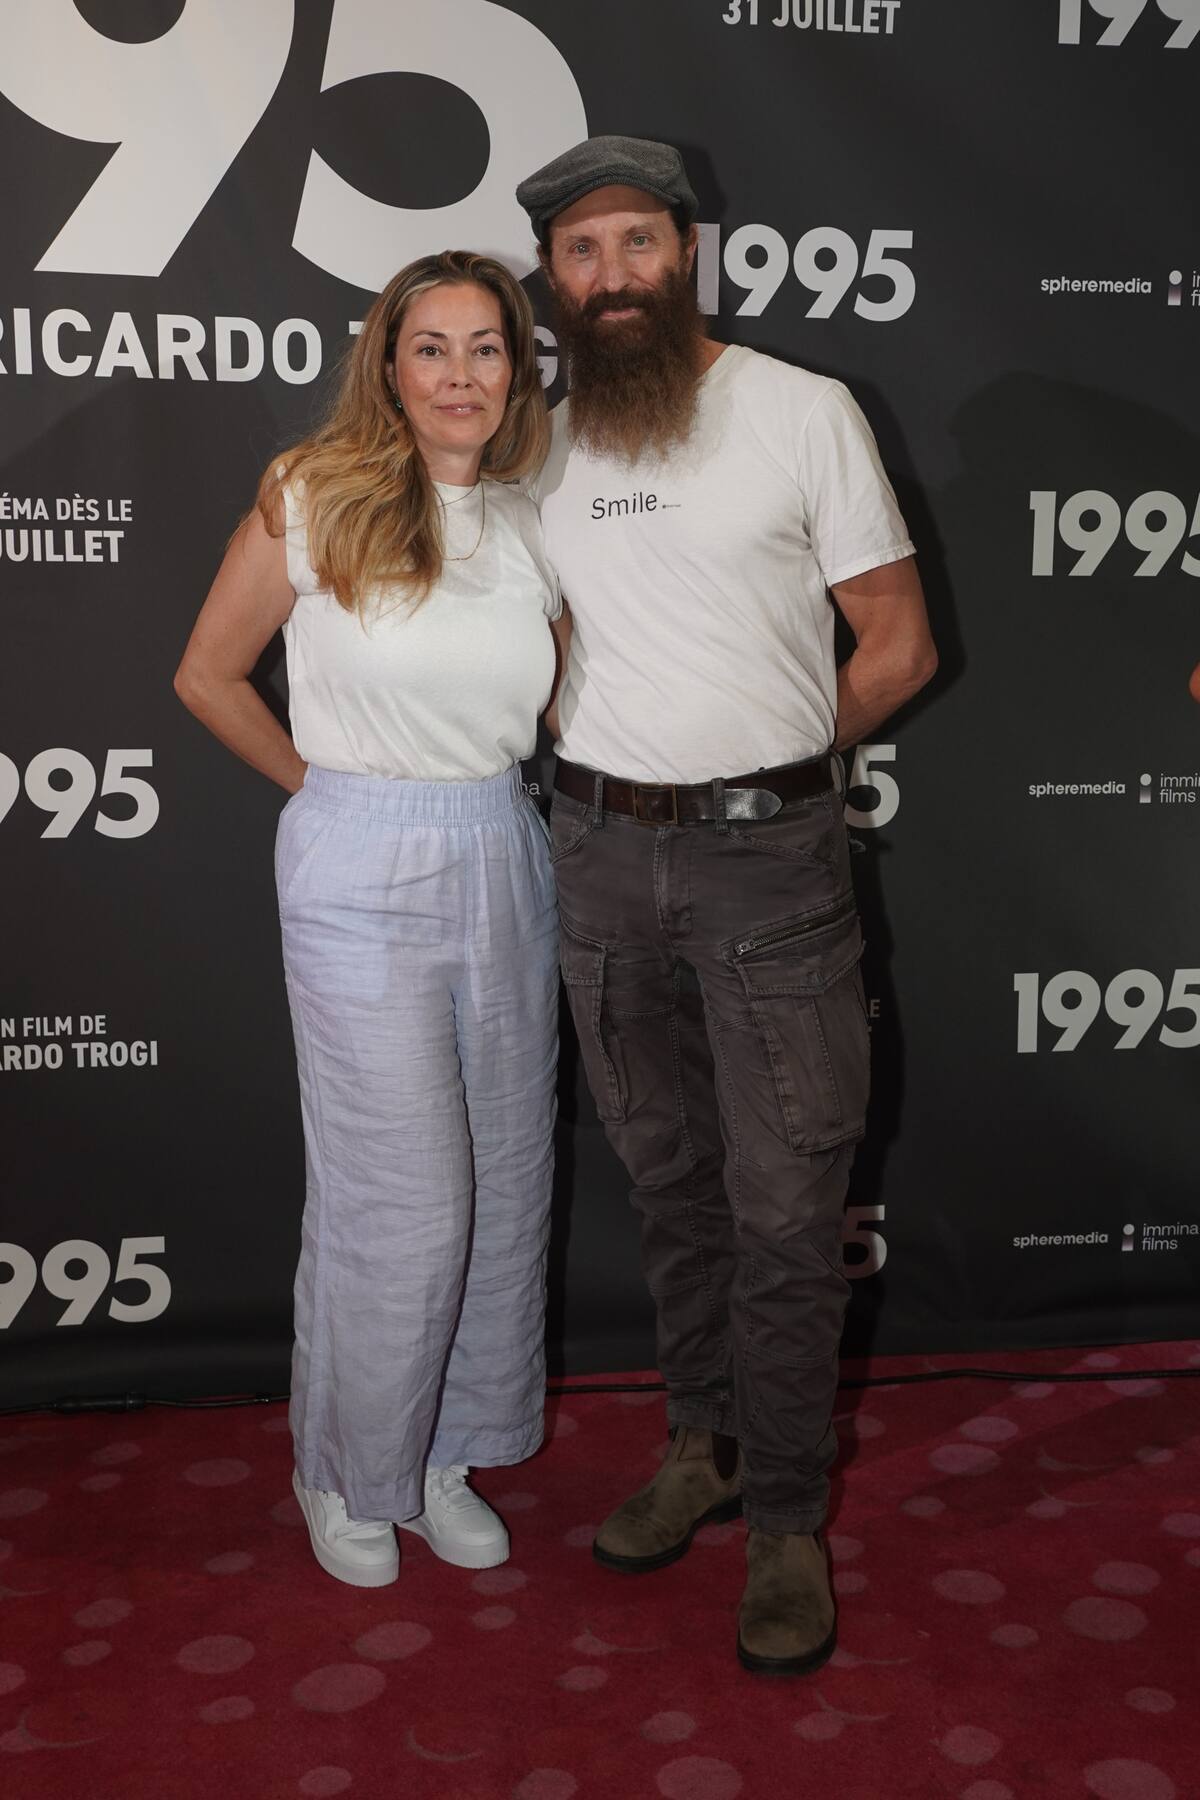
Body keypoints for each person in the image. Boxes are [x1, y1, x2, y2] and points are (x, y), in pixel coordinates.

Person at [517, 137, 938, 1674]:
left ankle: (785, 1522)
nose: (611, 274)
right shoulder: (540, 447)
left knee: (784, 1203)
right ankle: (701, 1445)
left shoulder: (800, 410)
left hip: (772, 866)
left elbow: (893, 644)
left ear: (685, 253)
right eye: (581, 252)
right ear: (554, 281)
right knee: (668, 1185)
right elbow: (547, 650)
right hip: (597, 862)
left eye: (636, 241)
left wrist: (763, 759)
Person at [174, 252, 561, 1588]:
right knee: (402, 1196)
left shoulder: (533, 515)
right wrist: (325, 796)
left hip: (504, 845)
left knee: (505, 1181)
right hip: (358, 858)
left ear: (519, 368)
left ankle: (443, 1454)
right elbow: (208, 674)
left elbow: (560, 706)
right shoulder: (313, 487)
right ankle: (346, 1467)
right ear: (387, 366)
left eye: (488, 348)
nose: (462, 375)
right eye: (433, 347)